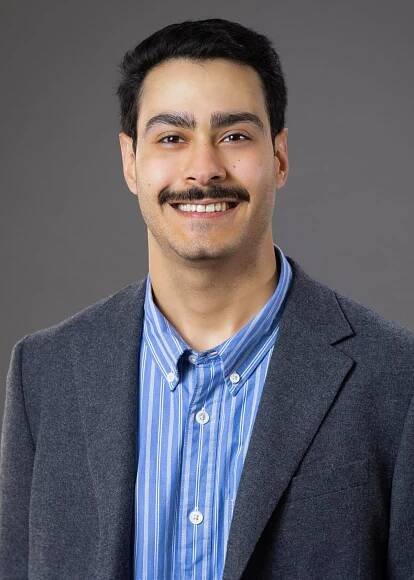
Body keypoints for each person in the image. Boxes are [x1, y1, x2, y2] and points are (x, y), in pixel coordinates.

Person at [0, 17, 413, 580]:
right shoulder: (45, 375)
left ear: (279, 157)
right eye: (172, 138)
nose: (203, 169)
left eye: (235, 136)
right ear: (130, 161)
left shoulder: (397, 379)